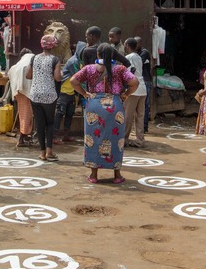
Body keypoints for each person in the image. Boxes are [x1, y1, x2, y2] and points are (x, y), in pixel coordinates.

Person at [70, 43, 139, 184]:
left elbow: (73, 81)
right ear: (113, 55)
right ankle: (117, 175)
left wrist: (84, 93)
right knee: (116, 139)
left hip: (94, 105)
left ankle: (94, 175)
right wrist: (126, 94)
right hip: (115, 106)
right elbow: (135, 82)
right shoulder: (120, 69)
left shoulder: (89, 68)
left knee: (93, 138)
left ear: (97, 55)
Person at [27, 34, 63, 162]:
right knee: (50, 123)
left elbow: (28, 75)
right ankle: (49, 152)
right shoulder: (55, 59)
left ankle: (42, 153)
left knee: (40, 124)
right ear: (53, 46)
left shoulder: (34, 58)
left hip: (35, 94)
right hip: (49, 95)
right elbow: (58, 78)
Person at [123, 38, 148, 147]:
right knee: (140, 116)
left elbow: (130, 72)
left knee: (128, 115)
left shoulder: (129, 57)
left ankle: (124, 139)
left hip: (134, 89)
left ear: (127, 46)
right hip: (142, 88)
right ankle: (140, 140)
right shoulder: (138, 56)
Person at [7, 48, 35, 147]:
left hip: (19, 92)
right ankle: (22, 138)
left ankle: (25, 136)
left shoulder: (17, 65)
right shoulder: (31, 59)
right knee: (27, 115)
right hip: (29, 91)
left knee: (24, 114)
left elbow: (10, 73)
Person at [55, 47, 81, 143]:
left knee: (69, 115)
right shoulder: (73, 62)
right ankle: (54, 137)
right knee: (59, 114)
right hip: (63, 93)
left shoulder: (78, 61)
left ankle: (66, 136)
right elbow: (79, 76)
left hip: (71, 93)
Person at [134, 36, 153, 133]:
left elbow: (137, 64)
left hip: (145, 81)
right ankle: (140, 127)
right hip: (140, 81)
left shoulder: (144, 52)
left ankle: (144, 127)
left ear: (140, 44)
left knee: (144, 105)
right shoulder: (136, 53)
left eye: (136, 43)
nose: (134, 46)